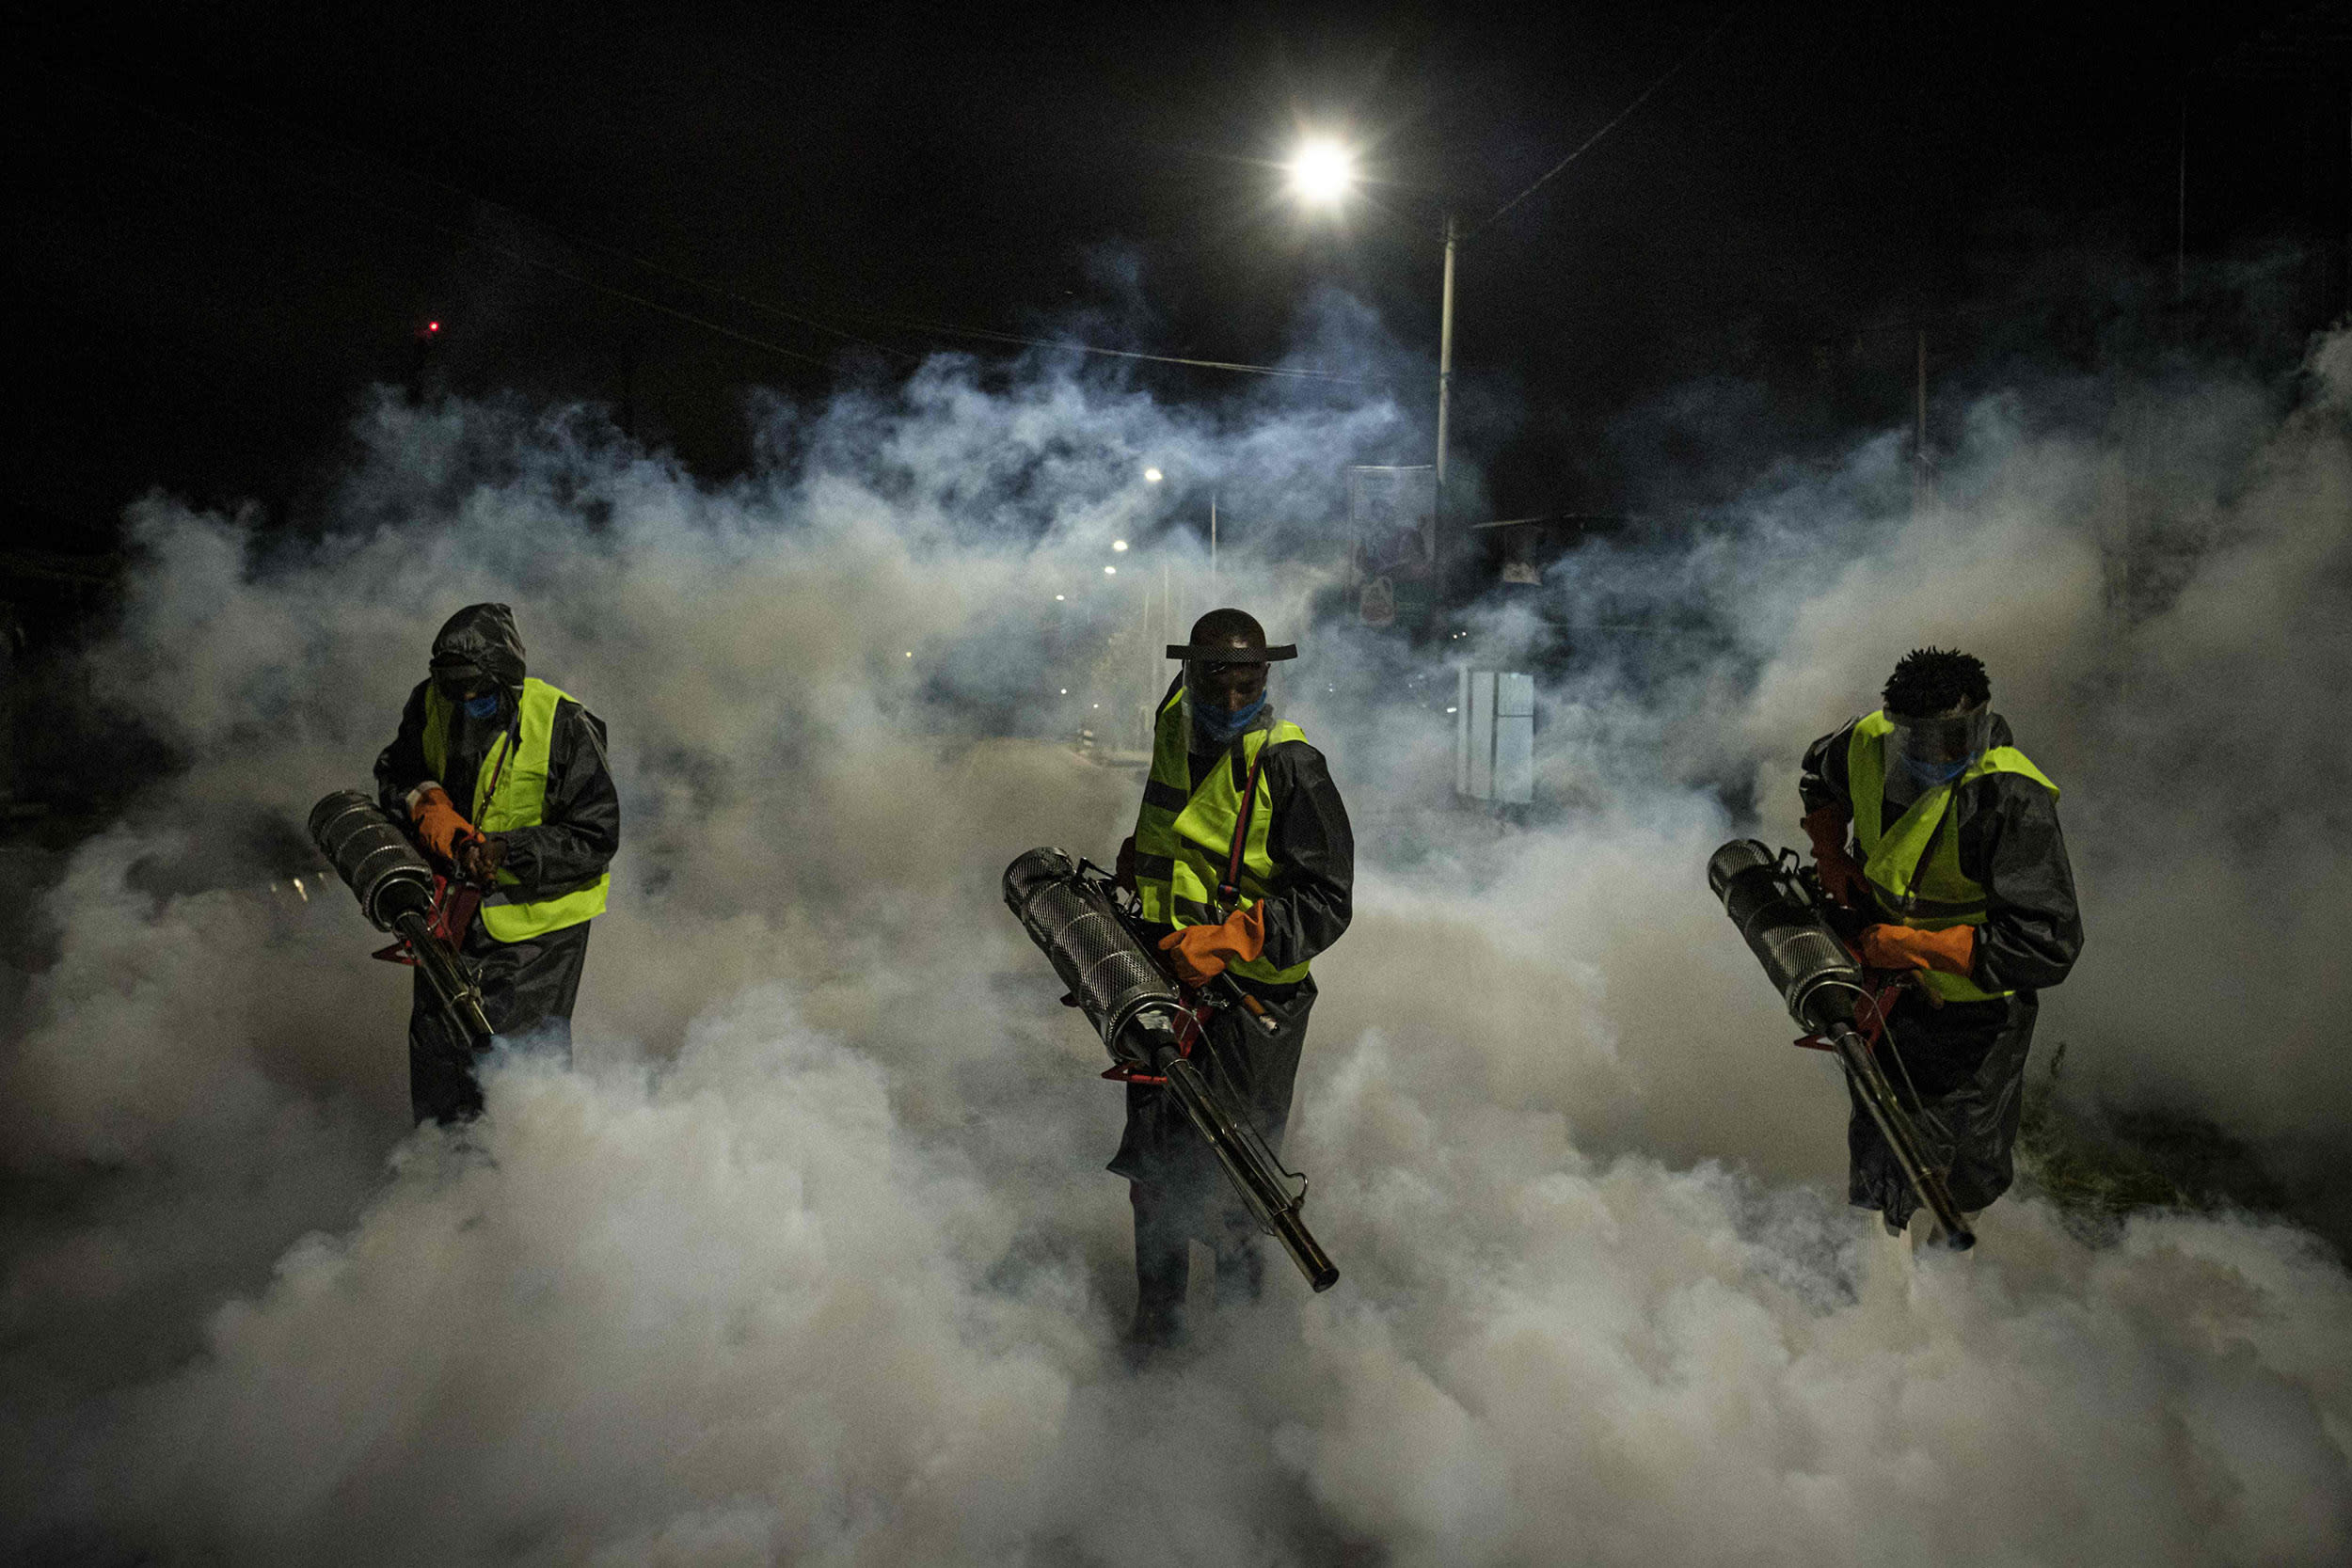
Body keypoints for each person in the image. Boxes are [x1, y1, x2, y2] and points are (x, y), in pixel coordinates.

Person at [1111, 608, 1353, 1349]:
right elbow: (1167, 835)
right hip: (1163, 984)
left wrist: (1226, 940)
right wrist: (1135, 877)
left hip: (1253, 1011)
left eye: (1244, 684)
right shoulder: (1175, 728)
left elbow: (1328, 903)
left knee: (1238, 1181)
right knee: (1157, 1170)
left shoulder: (1290, 766)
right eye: (1213, 682)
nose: (1226, 701)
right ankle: (1158, 1331)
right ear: (1188, 675)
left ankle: (1242, 1351)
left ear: (1266, 679)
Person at [1798, 646, 2083, 1243]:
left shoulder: (2009, 793)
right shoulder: (1867, 742)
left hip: (1978, 1011)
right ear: (1895, 723)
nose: (1937, 754)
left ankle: (1950, 1271)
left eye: (1954, 737)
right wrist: (1829, 854)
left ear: (1979, 721)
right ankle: (1883, 1280)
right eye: (1919, 739)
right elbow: (1816, 779)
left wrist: (1912, 946)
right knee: (1882, 1129)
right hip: (1882, 992)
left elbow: (2047, 944)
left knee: (1969, 1156)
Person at [373, 603, 619, 1124]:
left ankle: (527, 1187)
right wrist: (434, 814)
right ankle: (442, 1182)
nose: (468, 704)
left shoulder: (564, 723)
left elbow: (595, 835)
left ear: (508, 682)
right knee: (442, 1056)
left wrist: (509, 851)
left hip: (538, 931)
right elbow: (398, 775)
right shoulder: (430, 703)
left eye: (481, 696)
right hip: (453, 912)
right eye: (456, 694)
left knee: (518, 1071)